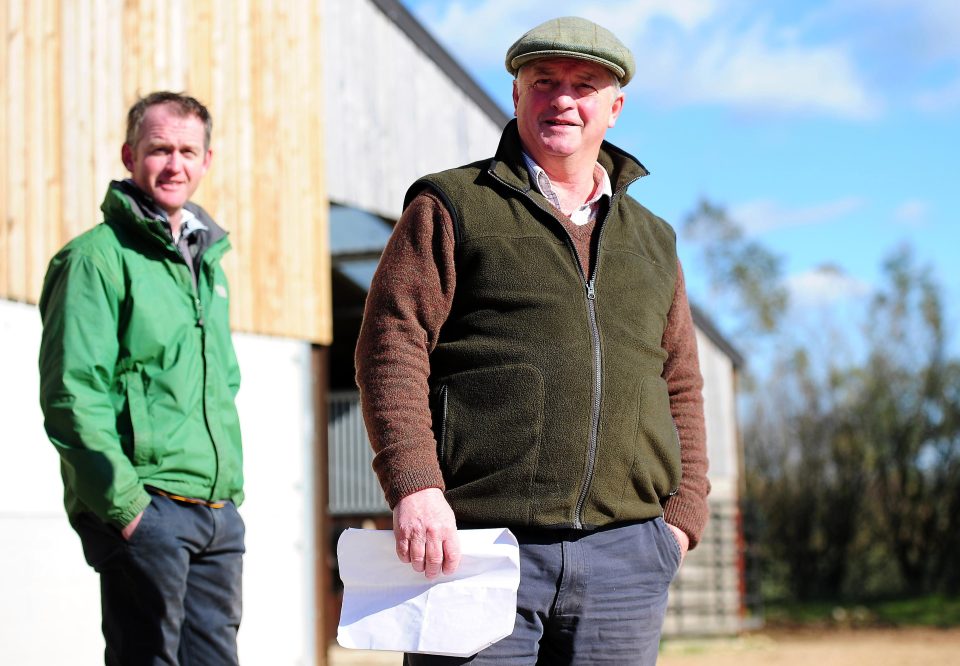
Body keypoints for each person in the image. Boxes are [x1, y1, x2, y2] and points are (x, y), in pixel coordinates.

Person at [355, 15, 710, 666]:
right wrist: (414, 484)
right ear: (517, 94)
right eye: (544, 81)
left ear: (615, 107)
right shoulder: (453, 204)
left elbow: (681, 381)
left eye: (584, 85)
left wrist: (683, 516)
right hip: (475, 547)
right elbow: (392, 344)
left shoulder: (654, 239)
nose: (563, 99)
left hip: (626, 555)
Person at [38, 91, 245, 665]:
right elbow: (71, 394)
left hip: (216, 514)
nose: (174, 164)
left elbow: (222, 384)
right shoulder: (95, 260)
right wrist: (128, 509)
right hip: (148, 509)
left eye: (187, 150)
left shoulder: (207, 264)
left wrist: (226, 501)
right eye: (159, 149)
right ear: (130, 155)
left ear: (208, 161)